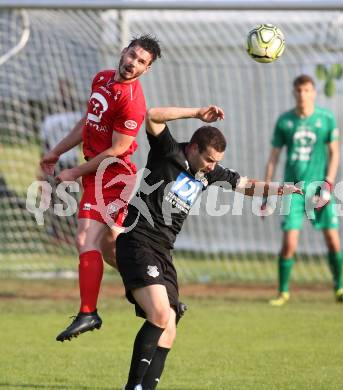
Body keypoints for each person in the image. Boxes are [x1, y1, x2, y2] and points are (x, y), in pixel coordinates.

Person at [115, 104, 301, 390]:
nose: (212, 166)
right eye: (209, 159)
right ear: (192, 147)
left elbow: (247, 186)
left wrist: (286, 189)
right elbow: (151, 115)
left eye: (216, 162)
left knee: (170, 330)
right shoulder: (168, 151)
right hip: (137, 241)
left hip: (163, 252)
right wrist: (196, 112)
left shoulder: (209, 173)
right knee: (160, 315)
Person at [40, 35, 162, 342]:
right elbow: (88, 122)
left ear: (146, 69)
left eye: (141, 61)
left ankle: (88, 312)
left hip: (113, 175)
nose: (133, 62)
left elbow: (119, 149)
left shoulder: (133, 102)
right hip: (95, 173)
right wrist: (55, 151)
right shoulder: (103, 78)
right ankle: (159, 296)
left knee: (85, 238)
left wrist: (75, 171)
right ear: (123, 52)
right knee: (110, 247)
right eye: (132, 55)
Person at [263, 74, 343, 306]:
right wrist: (266, 190)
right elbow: (274, 158)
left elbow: (334, 152)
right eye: (298, 90)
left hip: (319, 189)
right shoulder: (284, 120)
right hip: (293, 191)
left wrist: (328, 181)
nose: (302, 95)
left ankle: (339, 289)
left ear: (314, 92)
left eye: (307, 90)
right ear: (293, 93)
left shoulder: (326, 118)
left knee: (333, 241)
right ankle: (283, 292)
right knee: (289, 243)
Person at [38, 79, 82, 241]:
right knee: (70, 196)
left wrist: (42, 168)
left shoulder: (50, 120)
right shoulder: (78, 118)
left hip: (56, 163)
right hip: (70, 163)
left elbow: (44, 146)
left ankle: (58, 230)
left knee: (56, 196)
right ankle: (68, 230)